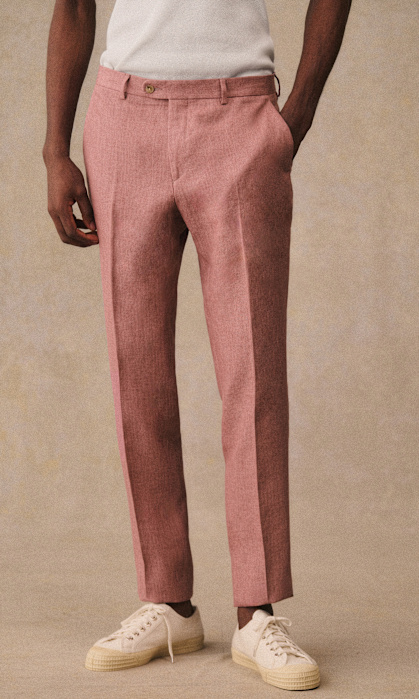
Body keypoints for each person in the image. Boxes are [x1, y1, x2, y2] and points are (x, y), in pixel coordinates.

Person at [43, 0, 351, 691]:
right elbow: (73, 6)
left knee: (252, 374)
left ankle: (257, 612)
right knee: (137, 371)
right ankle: (169, 601)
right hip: (123, 117)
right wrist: (54, 149)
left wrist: (295, 115)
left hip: (239, 116)